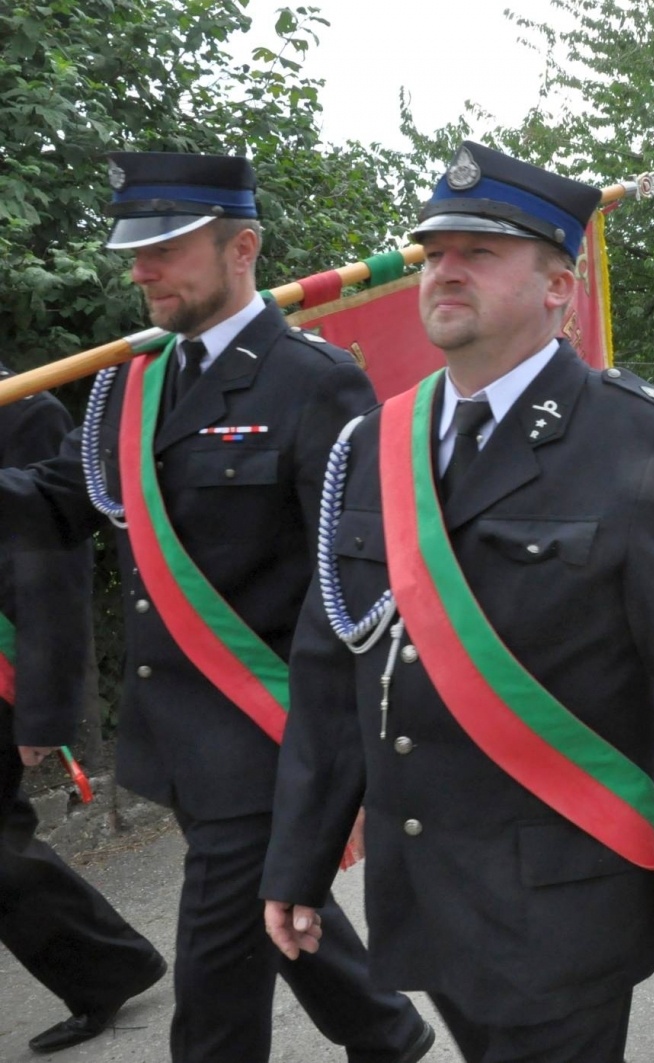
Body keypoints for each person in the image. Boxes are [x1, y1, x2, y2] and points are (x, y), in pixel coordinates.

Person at [259, 142, 654, 1063]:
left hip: (561, 897)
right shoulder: (376, 442)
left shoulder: (637, 442)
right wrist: (300, 857)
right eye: (435, 252)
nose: (446, 270)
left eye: (480, 251)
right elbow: (331, 664)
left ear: (560, 287)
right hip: (423, 885)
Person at [0, 152, 432, 1063]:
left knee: (215, 978)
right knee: (272, 908)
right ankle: (385, 1033)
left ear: (244, 247)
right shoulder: (131, 382)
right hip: (178, 732)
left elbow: (349, 583)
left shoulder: (314, 381)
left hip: (269, 731)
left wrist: (339, 756)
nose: (140, 270)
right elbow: (55, 503)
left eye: (166, 248)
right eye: (135, 250)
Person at [0, 375, 168, 1055]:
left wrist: (43, 707)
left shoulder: (24, 406)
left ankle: (105, 966)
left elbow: (47, 564)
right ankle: (108, 964)